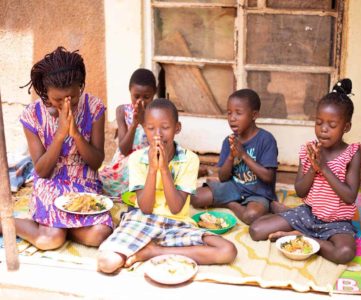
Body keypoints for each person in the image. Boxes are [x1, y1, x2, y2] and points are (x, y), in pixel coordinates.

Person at [97, 99, 237, 273]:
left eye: (165, 127)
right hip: (142, 220)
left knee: (227, 251)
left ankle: (154, 251)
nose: (158, 134)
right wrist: (152, 169)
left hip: (176, 224)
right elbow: (146, 208)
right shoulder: (136, 159)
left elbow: (176, 207)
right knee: (107, 262)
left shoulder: (189, 159)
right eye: (151, 128)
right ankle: (154, 249)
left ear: (177, 128)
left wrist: (163, 169)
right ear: (144, 129)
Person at [0, 47, 113, 250]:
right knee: (49, 240)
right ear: (45, 92)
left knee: (100, 235)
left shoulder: (94, 107)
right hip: (51, 183)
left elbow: (96, 162)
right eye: (57, 100)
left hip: (85, 183)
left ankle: (61, 227)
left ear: (81, 87)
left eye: (72, 98)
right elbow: (42, 171)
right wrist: (60, 135)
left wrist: (76, 134)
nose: (65, 105)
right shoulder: (32, 115)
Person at [249, 79, 361, 264]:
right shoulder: (309, 150)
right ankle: (300, 230)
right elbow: (301, 191)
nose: (323, 130)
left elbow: (350, 196)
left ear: (346, 127)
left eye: (332, 125)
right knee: (256, 230)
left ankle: (301, 237)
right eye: (319, 123)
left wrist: (324, 168)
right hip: (309, 214)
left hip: (337, 222)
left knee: (344, 254)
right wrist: (313, 167)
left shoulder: (352, 153)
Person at [191, 89, 280, 225]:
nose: (232, 118)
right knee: (195, 198)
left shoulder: (266, 139)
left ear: (254, 115)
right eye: (229, 113)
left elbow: (268, 177)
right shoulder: (229, 141)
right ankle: (232, 202)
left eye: (238, 113)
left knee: (251, 216)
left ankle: (230, 204)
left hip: (258, 192)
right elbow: (223, 177)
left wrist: (243, 155)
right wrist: (231, 158)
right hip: (235, 186)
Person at [99, 69, 157, 197]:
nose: (140, 101)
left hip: (146, 163)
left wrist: (144, 122)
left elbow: (158, 146)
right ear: (130, 91)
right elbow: (124, 149)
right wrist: (134, 124)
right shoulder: (122, 111)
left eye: (146, 97)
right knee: (101, 182)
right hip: (125, 163)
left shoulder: (158, 114)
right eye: (136, 96)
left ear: (154, 93)